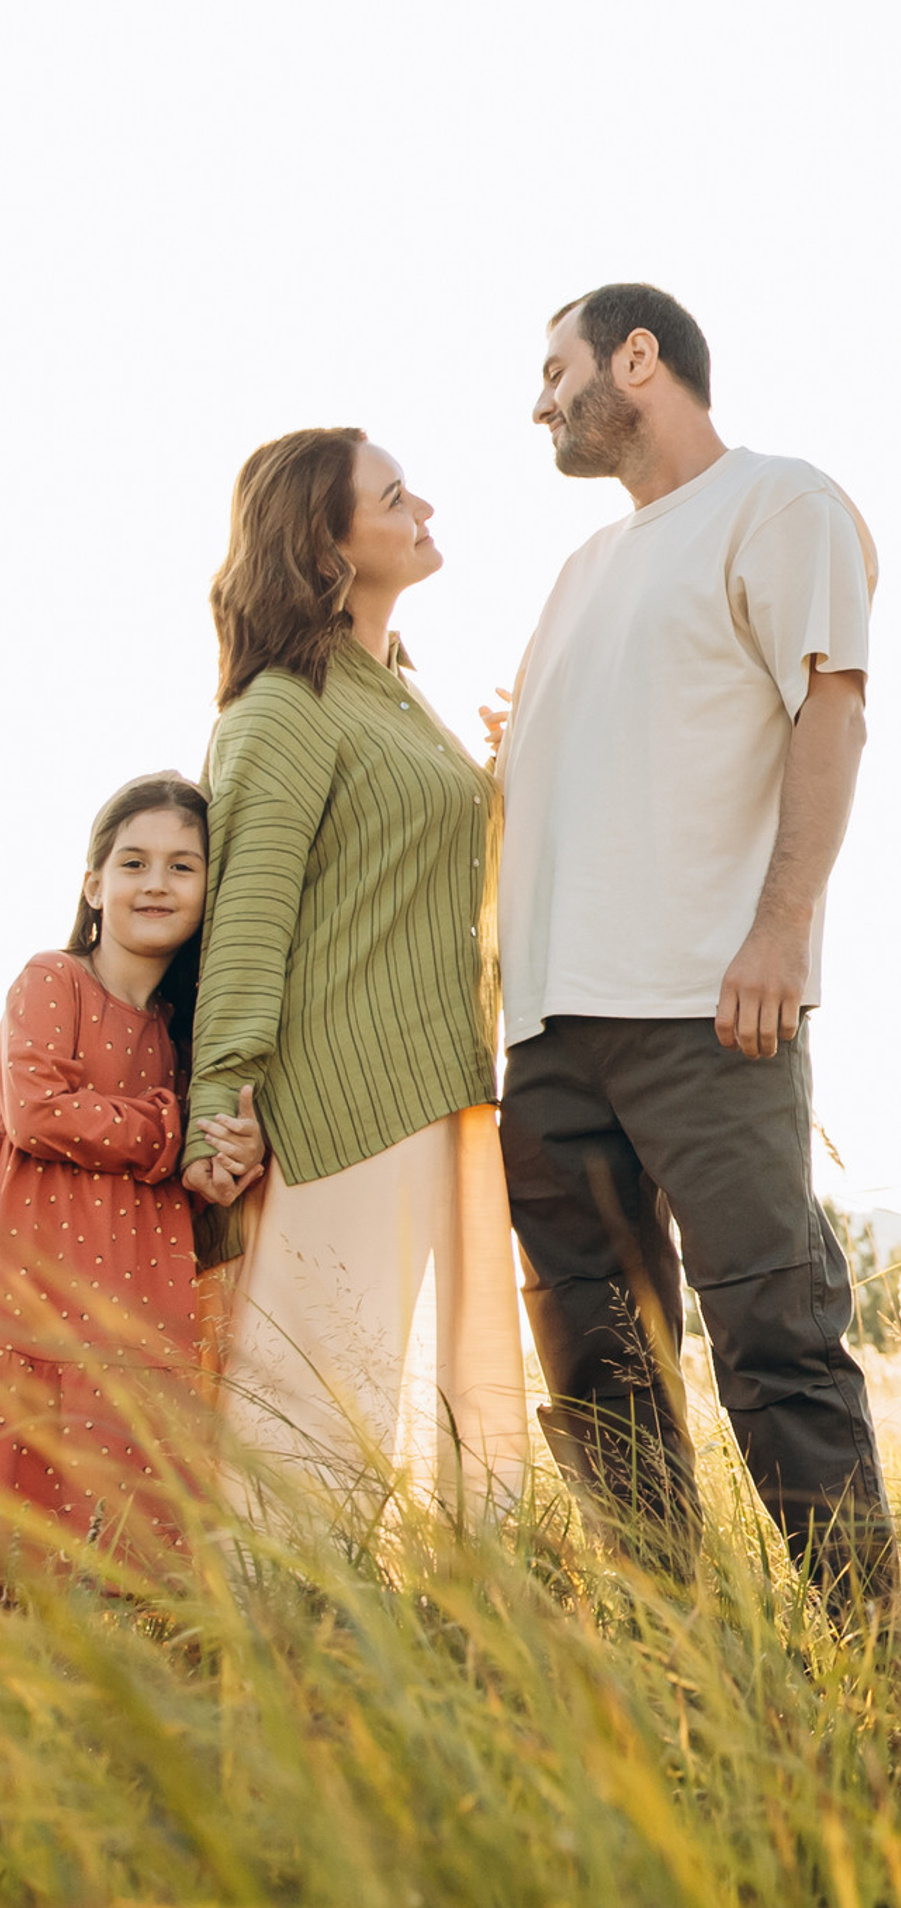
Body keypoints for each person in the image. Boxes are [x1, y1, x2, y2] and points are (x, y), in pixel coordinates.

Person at [494, 280, 893, 1607]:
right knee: (599, 1373)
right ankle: (680, 1657)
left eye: (557, 369)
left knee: (774, 1334)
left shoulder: (781, 503)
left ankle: (874, 1654)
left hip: (706, 1012)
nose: (539, 398)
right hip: (551, 1036)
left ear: (639, 357)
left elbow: (829, 714)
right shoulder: (580, 571)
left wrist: (780, 933)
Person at [184, 430, 534, 1528]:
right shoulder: (283, 707)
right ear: (326, 549)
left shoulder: (396, 697)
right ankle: (276, 1667)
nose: (423, 503)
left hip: (445, 1088)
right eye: (392, 495)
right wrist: (215, 1106)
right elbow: (246, 922)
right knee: (311, 1429)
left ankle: (440, 1673)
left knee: (455, 1434)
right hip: (342, 1106)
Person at [0, 775, 261, 1567]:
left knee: (125, 1519)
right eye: (134, 863)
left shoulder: (193, 1038)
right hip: (39, 1279)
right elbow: (37, 1111)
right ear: (94, 884)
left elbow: (215, 1148)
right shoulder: (56, 978)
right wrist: (173, 1128)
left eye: (183, 866)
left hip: (141, 1285)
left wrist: (235, 1154)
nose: (156, 883)